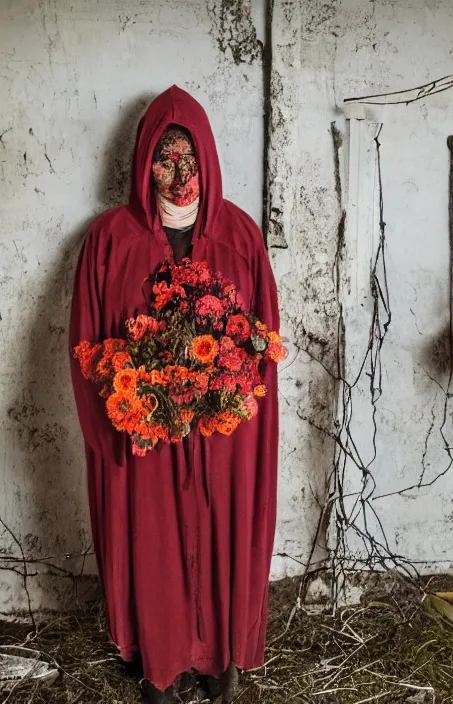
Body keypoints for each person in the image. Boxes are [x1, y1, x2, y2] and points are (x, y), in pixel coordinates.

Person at [69, 85, 280, 704]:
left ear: (208, 159)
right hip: (145, 431)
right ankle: (159, 662)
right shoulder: (110, 240)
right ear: (144, 163)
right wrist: (118, 419)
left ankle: (220, 660)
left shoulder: (240, 236)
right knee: (155, 540)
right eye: (165, 158)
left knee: (222, 534)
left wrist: (235, 402)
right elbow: (87, 341)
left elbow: (263, 338)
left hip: (223, 436)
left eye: (189, 158)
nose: (179, 173)